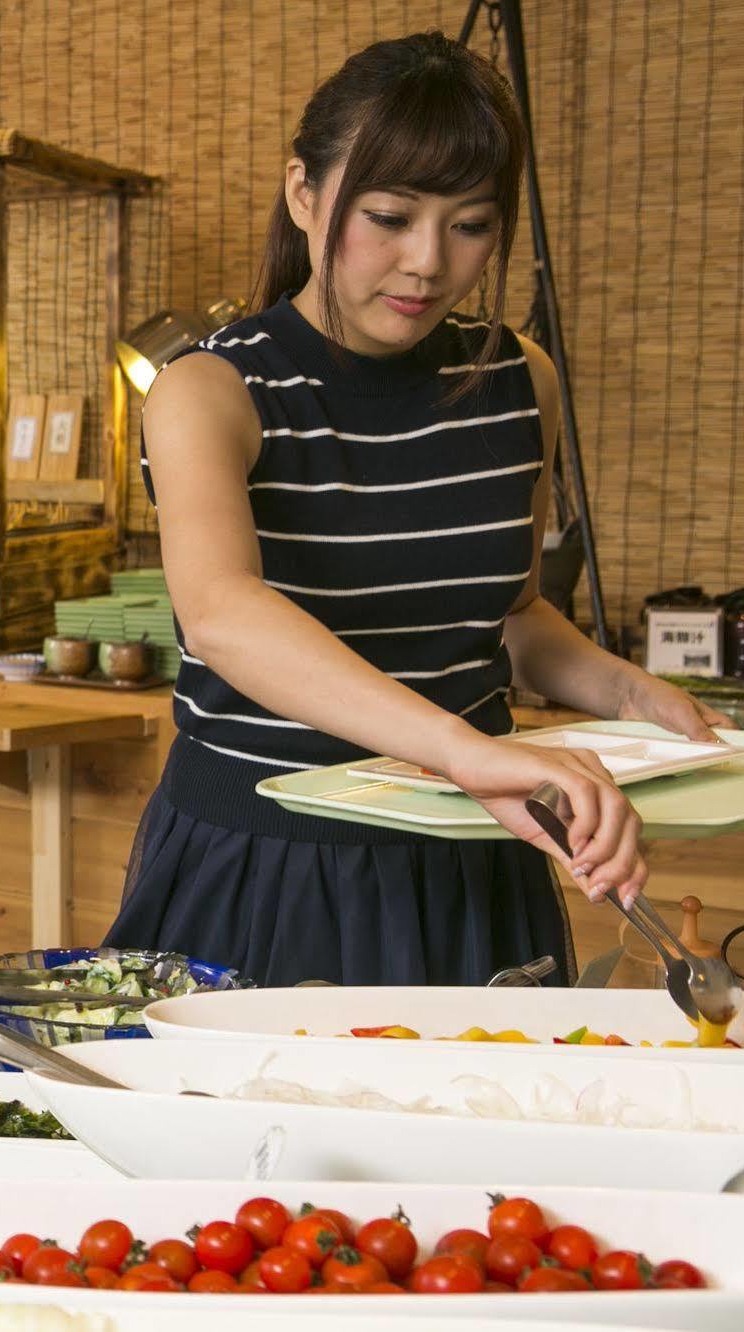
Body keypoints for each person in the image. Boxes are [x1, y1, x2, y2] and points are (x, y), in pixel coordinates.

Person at [102, 33, 728, 988]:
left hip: (470, 850)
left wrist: (627, 691)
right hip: (270, 848)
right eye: (389, 217)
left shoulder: (521, 380)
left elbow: (512, 617)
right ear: (304, 193)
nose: (427, 263)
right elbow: (223, 617)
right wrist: (466, 752)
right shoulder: (211, 388)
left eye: (470, 225)